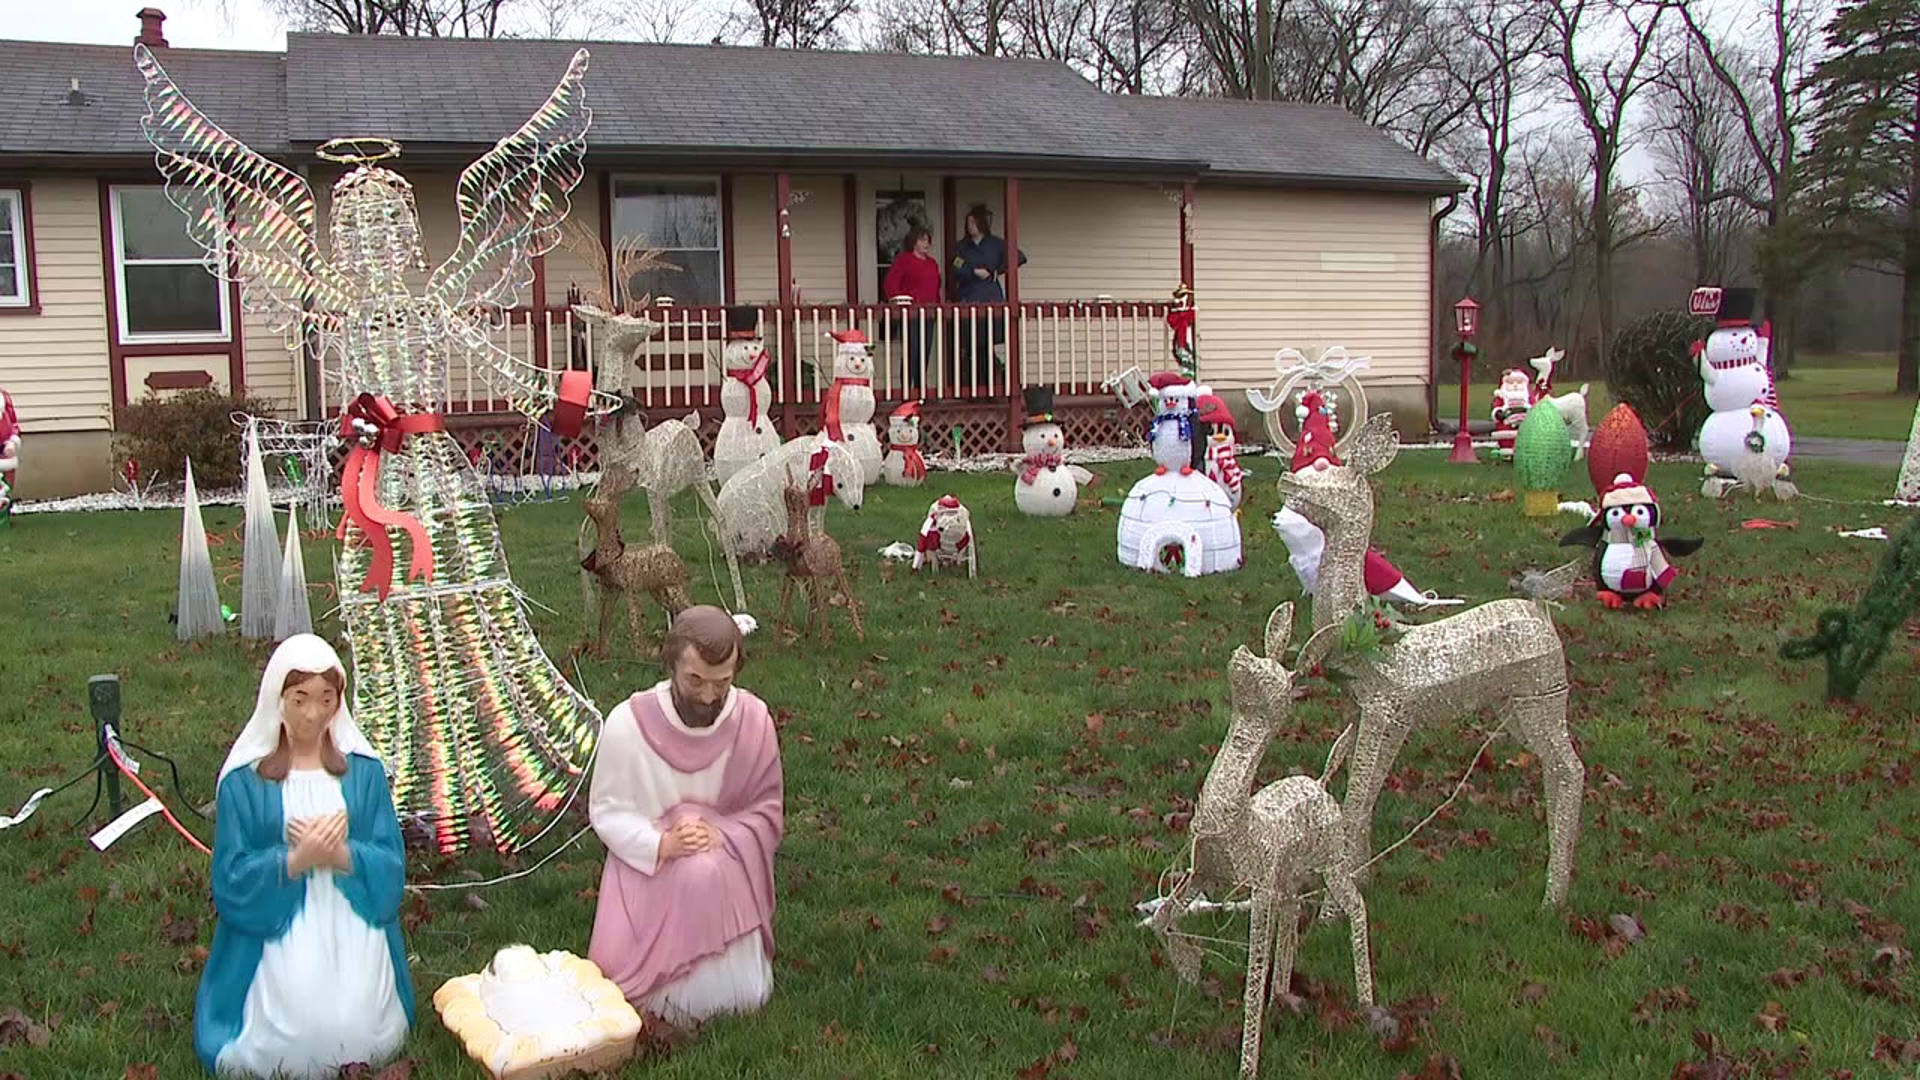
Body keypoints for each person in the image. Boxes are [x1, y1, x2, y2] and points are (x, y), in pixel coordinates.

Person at [195, 634, 413, 1078]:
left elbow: (390, 863)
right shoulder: (244, 783)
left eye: (325, 698)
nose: (314, 713)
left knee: (353, 1028)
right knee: (291, 1037)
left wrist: (340, 854)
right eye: (300, 699)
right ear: (278, 700)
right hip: (276, 935)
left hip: (351, 926)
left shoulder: (364, 773)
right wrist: (293, 861)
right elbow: (230, 878)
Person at [587, 605, 784, 1026]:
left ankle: (731, 991)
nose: (709, 696)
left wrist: (725, 833)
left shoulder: (752, 721)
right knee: (692, 872)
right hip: (652, 866)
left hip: (726, 862)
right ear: (672, 663)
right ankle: (662, 994)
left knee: (706, 870)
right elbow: (608, 809)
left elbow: (766, 811)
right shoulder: (628, 724)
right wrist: (662, 844)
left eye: (723, 682)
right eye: (695, 680)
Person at [949, 205, 1027, 388]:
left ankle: (993, 387)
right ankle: (974, 387)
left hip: (991, 298)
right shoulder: (962, 247)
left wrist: (995, 272)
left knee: (991, 344)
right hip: (969, 298)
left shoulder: (996, 244)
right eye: (968, 223)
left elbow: (1019, 257)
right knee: (972, 346)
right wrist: (973, 271)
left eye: (973, 222)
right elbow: (955, 264)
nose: (970, 226)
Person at [883, 226, 941, 391]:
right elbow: (890, 284)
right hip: (910, 314)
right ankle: (907, 389)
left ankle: (921, 387)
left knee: (925, 351)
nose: (926, 243)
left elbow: (936, 288)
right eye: (922, 239)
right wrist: (901, 301)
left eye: (928, 240)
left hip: (929, 314)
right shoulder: (904, 260)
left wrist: (937, 306)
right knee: (911, 351)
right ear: (913, 242)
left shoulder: (932, 263)